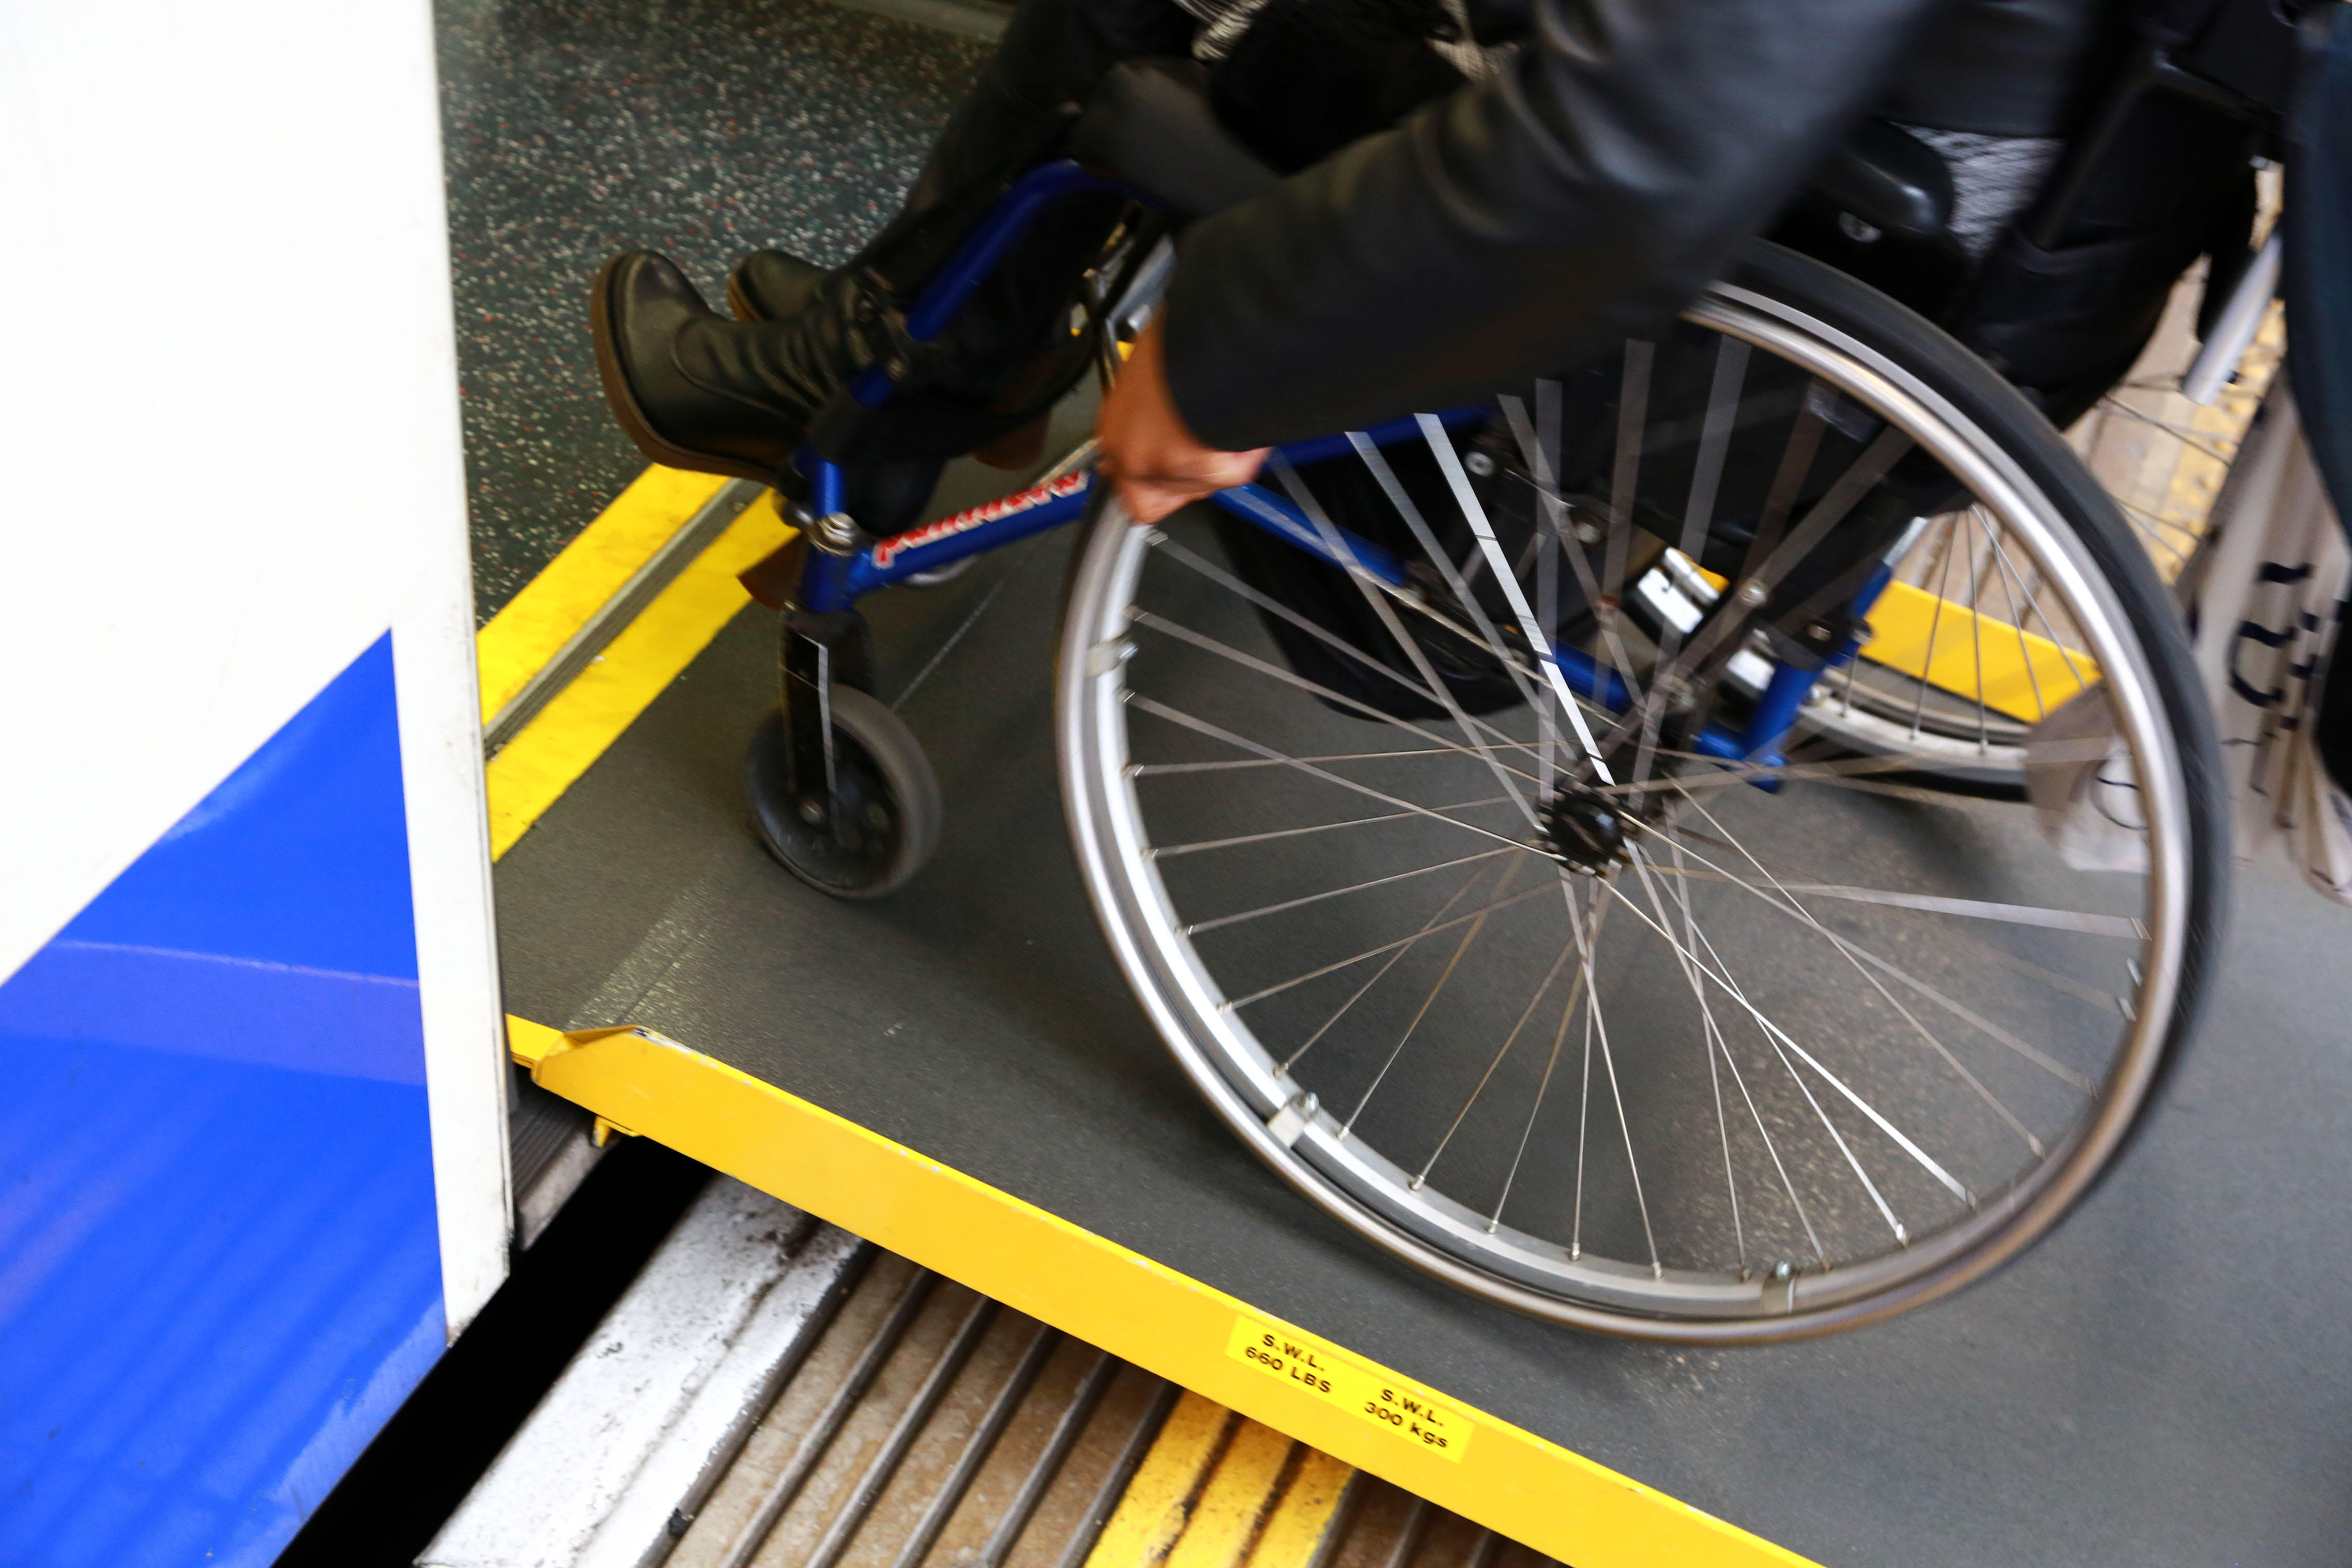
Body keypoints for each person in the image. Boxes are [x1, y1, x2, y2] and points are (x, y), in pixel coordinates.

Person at [588, 0, 2184, 531]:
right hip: (1988, 256)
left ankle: (900, 368)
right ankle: (965, 325)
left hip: (1717, 302)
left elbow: (1636, 146)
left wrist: (1233, 348)